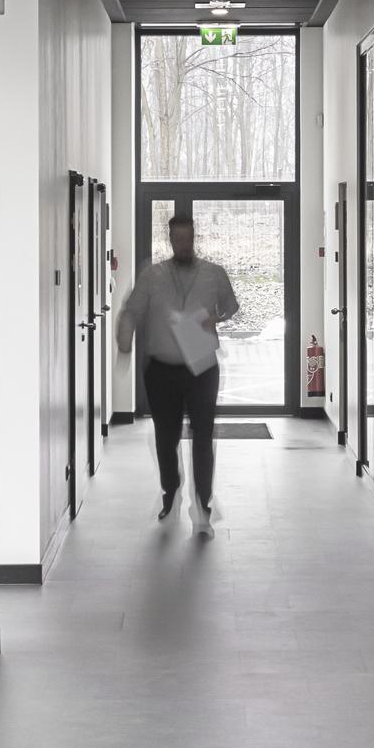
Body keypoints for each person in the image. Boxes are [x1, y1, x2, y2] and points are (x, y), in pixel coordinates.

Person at [116, 207, 236, 534]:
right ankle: (171, 491)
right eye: (177, 238)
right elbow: (131, 311)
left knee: (202, 437)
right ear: (169, 239)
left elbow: (231, 306)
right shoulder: (152, 276)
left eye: (188, 238)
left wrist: (217, 318)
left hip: (202, 366)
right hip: (162, 370)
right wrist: (124, 343)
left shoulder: (214, 273)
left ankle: (203, 502)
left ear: (195, 238)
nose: (183, 244)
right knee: (166, 438)